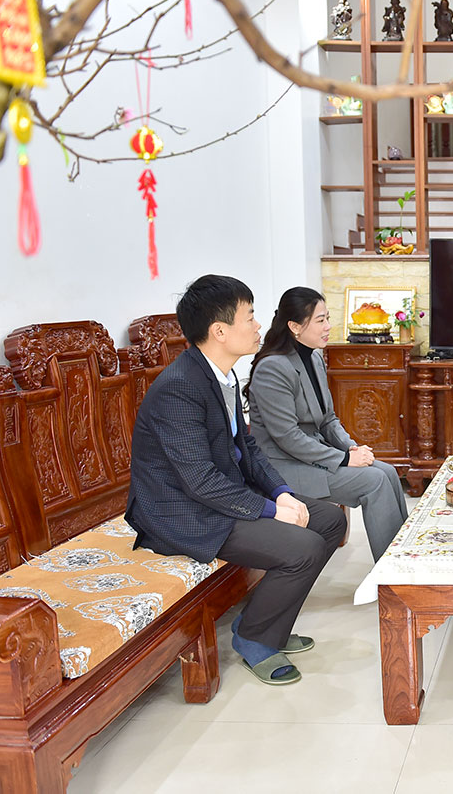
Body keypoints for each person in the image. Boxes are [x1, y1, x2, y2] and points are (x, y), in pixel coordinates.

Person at [126, 275, 346, 687]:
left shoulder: (220, 376)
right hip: (182, 513)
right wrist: (270, 510)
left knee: (330, 521)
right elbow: (200, 481)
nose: (259, 325)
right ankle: (254, 639)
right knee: (303, 547)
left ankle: (267, 624)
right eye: (250, 316)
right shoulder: (179, 388)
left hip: (218, 497)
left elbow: (249, 448)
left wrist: (281, 493)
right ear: (220, 331)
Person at [245, 287, 408, 561]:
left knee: (388, 472)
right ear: (295, 327)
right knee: (375, 481)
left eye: (328, 318)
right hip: (284, 467)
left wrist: (351, 449)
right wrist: (343, 459)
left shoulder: (314, 357)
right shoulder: (273, 368)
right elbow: (288, 437)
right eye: (320, 320)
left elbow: (328, 420)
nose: (328, 326)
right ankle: (391, 572)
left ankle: (405, 558)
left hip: (312, 457)